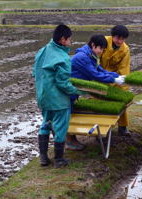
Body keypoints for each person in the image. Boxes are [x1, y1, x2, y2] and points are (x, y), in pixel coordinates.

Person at [33, 24, 80, 168]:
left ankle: (43, 158)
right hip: (58, 100)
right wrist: (77, 91)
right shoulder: (62, 57)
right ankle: (59, 160)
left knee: (46, 123)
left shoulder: (42, 51)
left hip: (43, 96)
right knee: (60, 126)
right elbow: (63, 83)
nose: (70, 42)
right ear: (62, 39)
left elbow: (35, 73)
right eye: (69, 39)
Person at [66, 34, 125, 150]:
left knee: (71, 110)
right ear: (93, 45)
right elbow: (95, 75)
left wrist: (118, 76)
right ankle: (69, 141)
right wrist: (114, 80)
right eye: (101, 49)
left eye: (103, 49)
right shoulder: (82, 57)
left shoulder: (91, 55)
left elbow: (100, 70)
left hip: (75, 88)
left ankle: (71, 140)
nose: (101, 52)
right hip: (68, 89)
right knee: (68, 113)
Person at [100, 25, 131, 136]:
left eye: (123, 39)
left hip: (115, 77)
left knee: (120, 99)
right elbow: (95, 60)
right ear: (112, 36)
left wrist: (124, 87)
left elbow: (124, 69)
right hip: (100, 76)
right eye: (118, 38)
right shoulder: (103, 42)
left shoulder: (125, 49)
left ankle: (122, 127)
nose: (120, 41)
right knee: (100, 102)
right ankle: (103, 129)